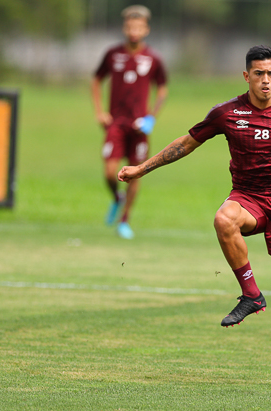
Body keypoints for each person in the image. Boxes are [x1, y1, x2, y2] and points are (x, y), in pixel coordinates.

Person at [118, 45, 271, 388]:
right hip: (248, 197)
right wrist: (142, 169)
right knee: (223, 219)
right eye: (259, 74)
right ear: (246, 76)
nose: (266, 81)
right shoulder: (227, 113)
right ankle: (251, 294)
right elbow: (185, 144)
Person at [91, 5, 168, 239]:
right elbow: (96, 79)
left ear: (146, 29)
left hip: (139, 126)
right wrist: (100, 111)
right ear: (125, 28)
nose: (134, 30)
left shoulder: (153, 58)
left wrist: (151, 117)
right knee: (109, 172)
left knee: (136, 172)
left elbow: (162, 88)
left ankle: (124, 221)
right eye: (130, 26)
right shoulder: (113, 54)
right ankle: (117, 197)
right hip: (116, 123)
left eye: (138, 26)